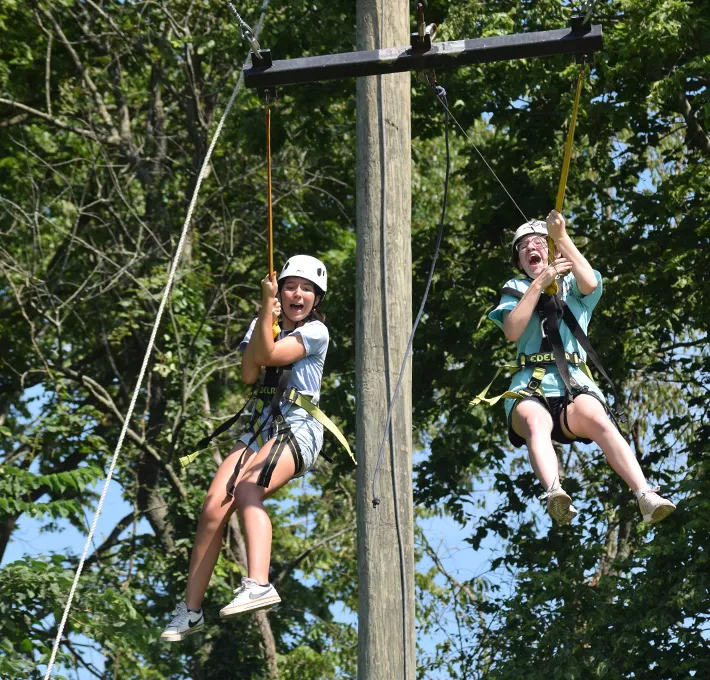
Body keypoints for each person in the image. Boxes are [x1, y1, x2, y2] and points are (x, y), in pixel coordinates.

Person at [161, 255, 330, 641]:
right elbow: (249, 374)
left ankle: (259, 583)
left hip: (298, 427)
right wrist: (263, 316)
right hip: (259, 426)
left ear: (316, 299)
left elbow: (271, 357)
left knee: (248, 489)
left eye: (306, 289)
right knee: (212, 507)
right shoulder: (262, 326)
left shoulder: (316, 332)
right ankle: (190, 611)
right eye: (290, 286)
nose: (297, 294)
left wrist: (265, 317)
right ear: (280, 291)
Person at [487, 210, 676, 525]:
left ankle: (644, 493)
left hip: (572, 383)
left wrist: (561, 237)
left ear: (553, 251)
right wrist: (539, 283)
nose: (531, 248)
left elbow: (589, 281)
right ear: (520, 262)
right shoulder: (516, 288)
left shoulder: (573, 287)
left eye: (538, 242)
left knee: (596, 417)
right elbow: (512, 330)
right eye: (523, 247)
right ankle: (554, 491)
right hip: (530, 385)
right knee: (536, 422)